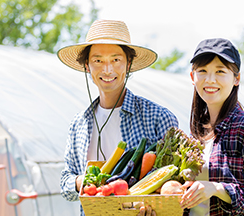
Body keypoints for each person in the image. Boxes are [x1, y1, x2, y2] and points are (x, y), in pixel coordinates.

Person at [57, 19, 178, 216]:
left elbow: (174, 185)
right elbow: (65, 184)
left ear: (128, 64)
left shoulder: (158, 117)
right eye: (98, 60)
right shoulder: (78, 124)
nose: (107, 69)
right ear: (87, 65)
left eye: (116, 59)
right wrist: (86, 182)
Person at [179, 38, 244, 215]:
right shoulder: (194, 135)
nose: (210, 80)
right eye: (202, 71)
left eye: (220, 71)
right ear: (193, 77)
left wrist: (217, 188)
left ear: (236, 78)